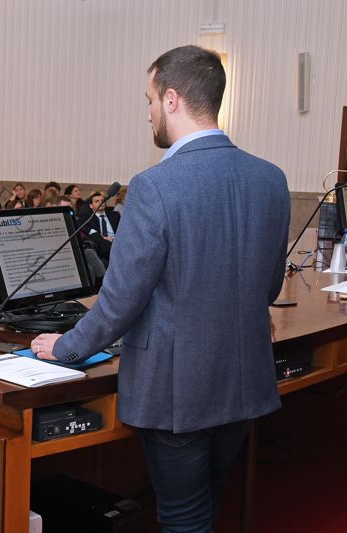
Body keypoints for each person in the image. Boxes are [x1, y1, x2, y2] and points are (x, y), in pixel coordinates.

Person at [31, 45, 290, 533]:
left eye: (149, 100)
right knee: (208, 501)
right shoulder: (271, 179)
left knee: (182, 516)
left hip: (179, 389)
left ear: (172, 100)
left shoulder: (156, 186)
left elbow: (121, 299)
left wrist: (65, 346)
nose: (148, 113)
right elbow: (269, 285)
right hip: (243, 379)